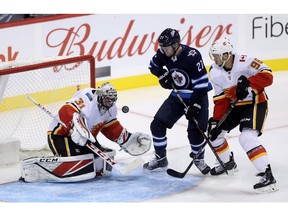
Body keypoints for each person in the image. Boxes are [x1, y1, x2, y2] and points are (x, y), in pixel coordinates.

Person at [21, 82, 151, 182]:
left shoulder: (111, 109)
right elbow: (65, 110)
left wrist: (127, 139)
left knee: (99, 164)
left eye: (112, 100)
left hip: (86, 139)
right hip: (61, 135)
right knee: (79, 164)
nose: (109, 103)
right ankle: (40, 168)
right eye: (107, 100)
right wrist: (75, 127)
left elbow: (111, 128)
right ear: (100, 97)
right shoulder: (87, 98)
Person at [208, 37, 277, 192]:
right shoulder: (214, 71)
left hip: (255, 103)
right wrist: (216, 121)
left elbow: (268, 75)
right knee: (213, 134)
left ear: (226, 55)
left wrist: (248, 82)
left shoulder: (246, 61)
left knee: (246, 137)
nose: (215, 59)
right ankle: (227, 163)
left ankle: (267, 175)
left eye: (218, 56)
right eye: (214, 56)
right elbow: (220, 100)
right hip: (235, 106)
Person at [143, 28, 212, 175]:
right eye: (162, 47)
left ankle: (199, 159)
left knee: (195, 131)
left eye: (166, 47)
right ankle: (161, 158)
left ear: (176, 45)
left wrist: (196, 105)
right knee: (157, 125)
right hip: (177, 96)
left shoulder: (192, 56)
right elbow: (153, 66)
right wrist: (162, 75)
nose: (164, 50)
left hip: (197, 95)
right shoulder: (162, 53)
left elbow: (201, 84)